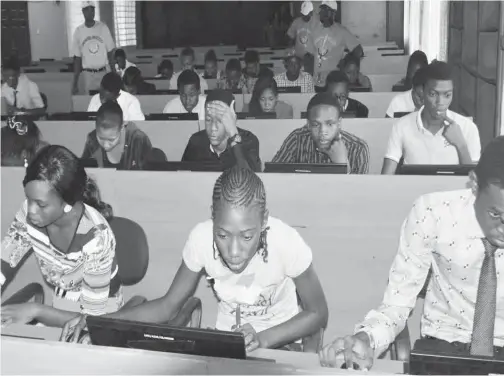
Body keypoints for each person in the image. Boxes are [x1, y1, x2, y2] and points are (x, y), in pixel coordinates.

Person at [320, 135, 504, 370]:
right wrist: (366, 340)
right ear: (475, 184)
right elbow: (396, 304)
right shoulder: (433, 213)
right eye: (495, 214)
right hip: (444, 348)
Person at [61, 166, 328, 353]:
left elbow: (318, 313)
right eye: (223, 235)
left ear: (264, 221)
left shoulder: (287, 242)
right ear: (213, 217)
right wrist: (102, 322)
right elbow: (168, 306)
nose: (234, 251)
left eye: (247, 237)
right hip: (228, 341)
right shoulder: (200, 239)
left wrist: (263, 339)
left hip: (280, 339)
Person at [0, 145, 121, 327]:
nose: (30, 211)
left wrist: (36, 311)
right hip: (60, 304)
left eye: (41, 205)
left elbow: (90, 321)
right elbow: (4, 263)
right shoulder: (28, 215)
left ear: (68, 204)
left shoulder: (96, 237)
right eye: (29, 199)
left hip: (103, 315)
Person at [381, 61, 481, 174]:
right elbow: (386, 178)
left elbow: (475, 183)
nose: (440, 102)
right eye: (433, 94)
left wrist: (461, 145)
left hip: (452, 192)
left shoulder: (467, 127)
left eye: (447, 95)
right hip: (414, 191)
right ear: (422, 92)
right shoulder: (401, 126)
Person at [272, 93, 369, 174]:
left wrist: (343, 166)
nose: (323, 131)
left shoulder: (358, 148)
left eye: (330, 124)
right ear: (308, 124)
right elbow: (272, 175)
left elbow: (359, 194)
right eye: (316, 125)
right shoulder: (297, 139)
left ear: (339, 124)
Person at [182, 89, 261, 172]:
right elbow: (182, 176)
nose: (213, 128)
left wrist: (233, 134)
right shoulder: (196, 141)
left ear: (231, 120)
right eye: (208, 120)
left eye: (220, 120)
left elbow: (252, 180)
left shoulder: (249, 140)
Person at [81, 100, 152, 170]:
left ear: (121, 128)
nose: (106, 145)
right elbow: (84, 171)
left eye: (111, 140)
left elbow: (150, 175)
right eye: (101, 138)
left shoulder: (138, 140)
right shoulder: (92, 139)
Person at [310, 1, 363, 88]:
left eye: (327, 10)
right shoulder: (314, 30)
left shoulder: (342, 31)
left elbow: (358, 51)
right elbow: (310, 54)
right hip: (317, 80)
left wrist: (345, 62)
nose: (323, 13)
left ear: (333, 12)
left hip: (334, 80)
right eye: (322, 10)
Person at [71, 1, 116, 94]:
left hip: (103, 72)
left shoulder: (103, 28)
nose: (90, 13)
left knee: (105, 99)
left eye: (92, 10)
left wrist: (114, 73)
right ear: (83, 12)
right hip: (88, 74)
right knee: (90, 101)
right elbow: (77, 58)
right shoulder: (78, 31)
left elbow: (110, 53)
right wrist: (75, 82)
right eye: (87, 10)